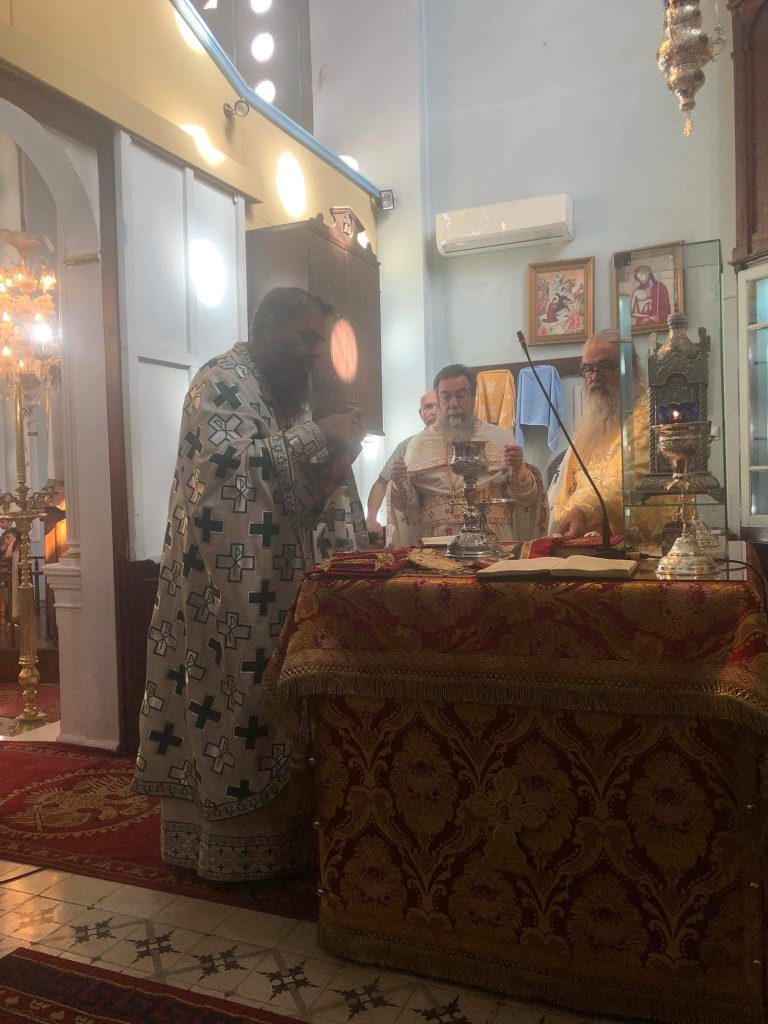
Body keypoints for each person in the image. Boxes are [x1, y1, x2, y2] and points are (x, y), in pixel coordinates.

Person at [133, 287, 366, 882]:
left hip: (276, 585)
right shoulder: (220, 383)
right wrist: (319, 436)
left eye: (320, 341)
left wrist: (333, 461)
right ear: (267, 329)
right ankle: (223, 844)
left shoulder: (285, 396)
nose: (315, 353)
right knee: (231, 702)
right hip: (218, 593)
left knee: (275, 704)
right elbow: (224, 478)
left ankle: (283, 843)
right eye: (307, 338)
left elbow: (291, 496)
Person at [388, 364, 547, 544]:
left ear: (473, 397)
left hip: (494, 537)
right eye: (446, 397)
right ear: (438, 400)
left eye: (461, 396)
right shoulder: (419, 444)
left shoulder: (501, 438)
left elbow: (527, 498)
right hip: (437, 541)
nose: (453, 404)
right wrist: (399, 483)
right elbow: (406, 507)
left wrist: (518, 469)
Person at [549, 329, 662, 544]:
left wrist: (585, 509)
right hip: (581, 541)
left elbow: (635, 478)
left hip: (633, 545)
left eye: (605, 367)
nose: (595, 377)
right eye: (588, 369)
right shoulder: (591, 422)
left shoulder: (648, 416)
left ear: (630, 369)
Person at [365, 389, 437, 543]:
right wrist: (371, 518)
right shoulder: (407, 446)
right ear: (421, 413)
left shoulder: (458, 442)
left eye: (438, 406)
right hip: (417, 525)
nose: (434, 412)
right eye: (428, 407)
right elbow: (381, 484)